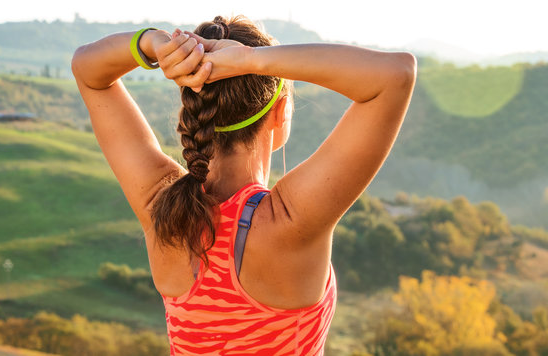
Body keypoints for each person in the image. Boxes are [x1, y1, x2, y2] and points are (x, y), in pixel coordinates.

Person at [72, 15, 416, 355]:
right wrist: (254, 61)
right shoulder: (289, 221)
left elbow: (89, 72)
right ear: (281, 112)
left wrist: (153, 43)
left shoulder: (161, 205)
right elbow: (395, 75)